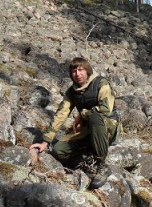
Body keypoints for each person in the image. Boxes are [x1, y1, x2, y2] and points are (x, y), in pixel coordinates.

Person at [29, 57, 121, 189]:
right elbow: (61, 113)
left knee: (95, 117)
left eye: (80, 70)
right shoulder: (72, 92)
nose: (77, 74)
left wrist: (82, 114)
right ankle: (87, 161)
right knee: (58, 150)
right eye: (73, 71)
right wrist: (45, 141)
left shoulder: (101, 83)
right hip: (89, 129)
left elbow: (106, 110)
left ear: (87, 70)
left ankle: (101, 165)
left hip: (109, 127)